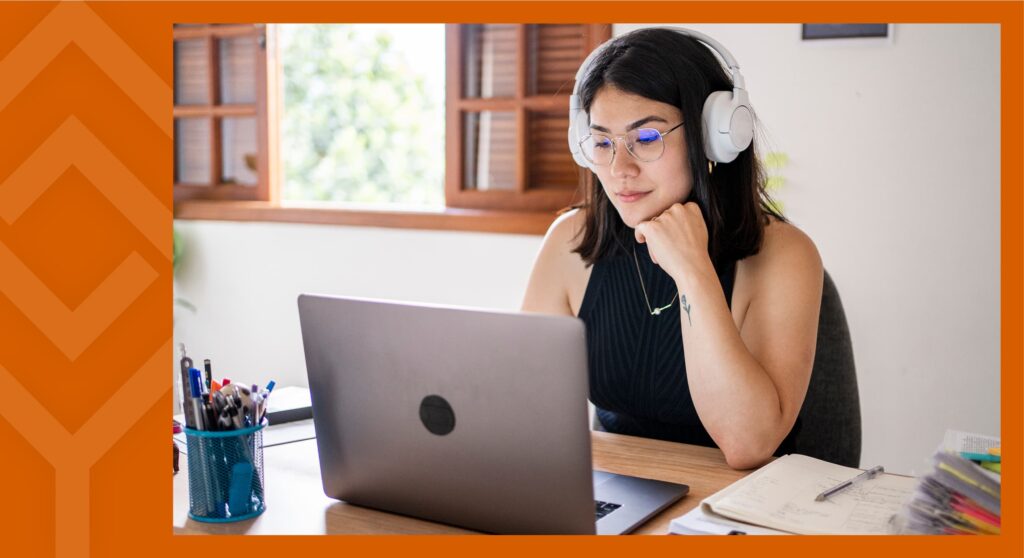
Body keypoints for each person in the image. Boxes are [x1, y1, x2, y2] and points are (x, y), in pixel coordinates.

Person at [521, 27, 823, 470]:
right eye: (602, 143)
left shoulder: (784, 255)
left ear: (713, 136)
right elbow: (521, 404)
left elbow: (747, 444)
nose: (619, 169)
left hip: (734, 507)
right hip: (616, 493)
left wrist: (692, 270)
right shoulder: (573, 239)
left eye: (645, 139)